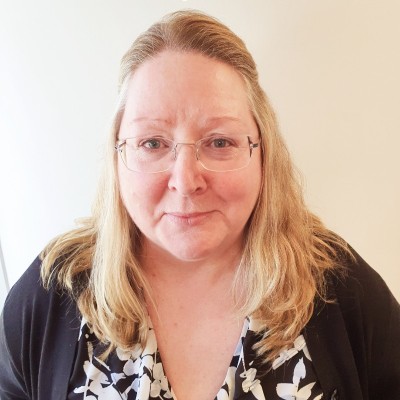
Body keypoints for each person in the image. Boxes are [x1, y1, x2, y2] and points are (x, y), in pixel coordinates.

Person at [1, 9, 399, 400]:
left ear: (263, 153)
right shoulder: (51, 295)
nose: (186, 181)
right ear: (118, 154)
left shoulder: (339, 290)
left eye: (220, 142)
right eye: (152, 143)